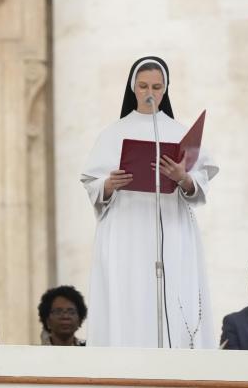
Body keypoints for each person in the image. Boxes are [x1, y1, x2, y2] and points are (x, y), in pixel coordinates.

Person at [81, 56, 219, 348]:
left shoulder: (179, 132)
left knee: (170, 293)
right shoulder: (112, 133)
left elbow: (201, 183)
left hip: (171, 228)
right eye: (143, 86)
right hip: (125, 231)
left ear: (165, 90)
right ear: (133, 88)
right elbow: (91, 184)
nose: (149, 93)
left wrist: (182, 177)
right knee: (128, 294)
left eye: (157, 87)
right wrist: (108, 184)